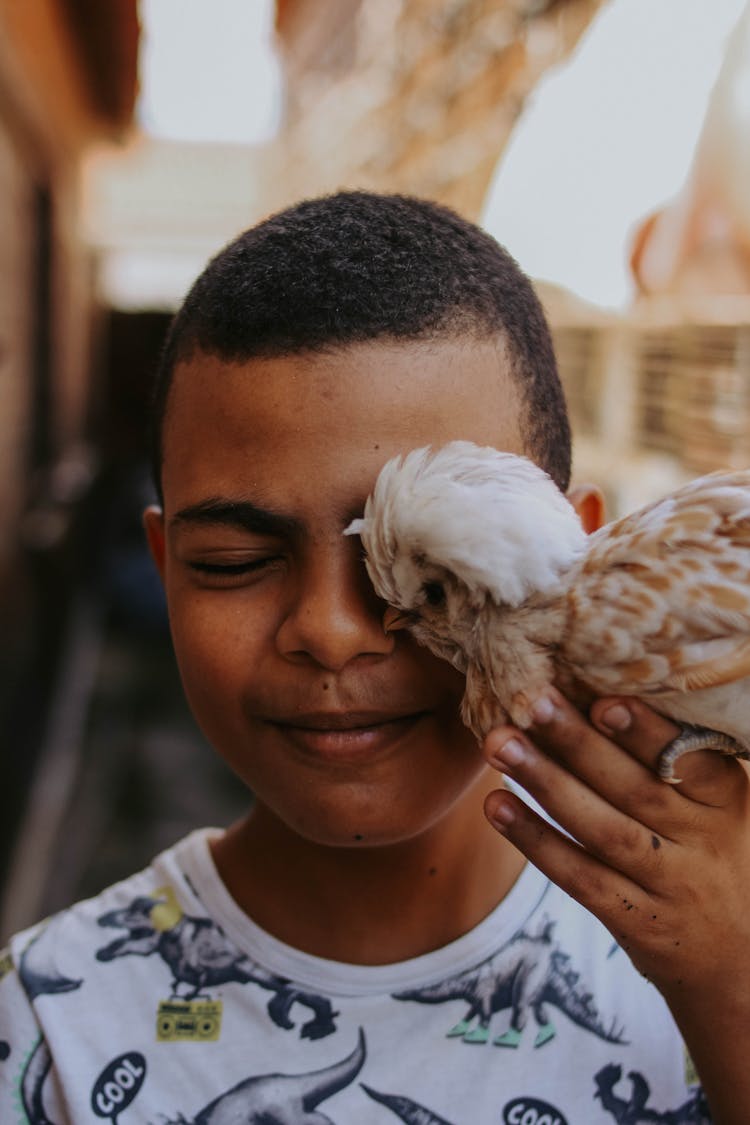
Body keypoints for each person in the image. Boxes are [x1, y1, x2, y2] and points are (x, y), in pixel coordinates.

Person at [1, 191, 747, 1124]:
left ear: (571, 552)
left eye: (434, 577)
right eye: (234, 563)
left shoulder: (722, 954)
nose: (333, 628)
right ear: (167, 570)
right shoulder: (48, 1028)